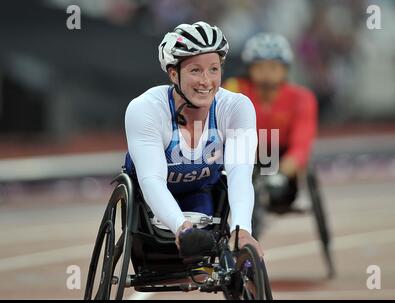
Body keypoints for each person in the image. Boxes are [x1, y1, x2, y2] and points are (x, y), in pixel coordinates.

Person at [124, 21, 263, 258]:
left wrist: (242, 230)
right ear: (173, 73)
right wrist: (181, 227)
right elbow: (152, 181)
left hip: (198, 190)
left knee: (207, 258)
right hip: (149, 195)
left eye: (214, 69)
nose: (206, 81)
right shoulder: (145, 108)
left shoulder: (237, 107)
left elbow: (240, 172)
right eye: (195, 70)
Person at [224, 33, 318, 214]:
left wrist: (282, 174)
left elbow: (301, 145)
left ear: (285, 69)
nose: (266, 73)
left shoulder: (302, 98)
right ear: (249, 68)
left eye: (274, 66)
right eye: (260, 66)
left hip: (281, 158)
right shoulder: (234, 89)